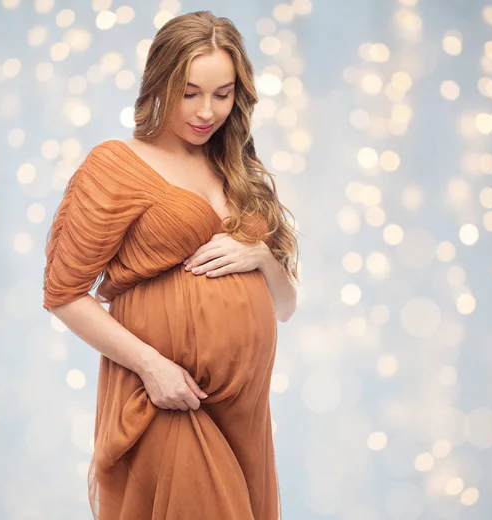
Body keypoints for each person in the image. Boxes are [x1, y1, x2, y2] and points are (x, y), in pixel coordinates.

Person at [42, 10, 300, 520]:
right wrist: (153, 367)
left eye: (222, 94)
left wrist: (263, 256)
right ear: (159, 82)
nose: (206, 111)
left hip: (244, 411)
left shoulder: (239, 171)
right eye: (189, 92)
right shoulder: (116, 164)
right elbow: (64, 294)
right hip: (166, 398)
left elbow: (286, 307)